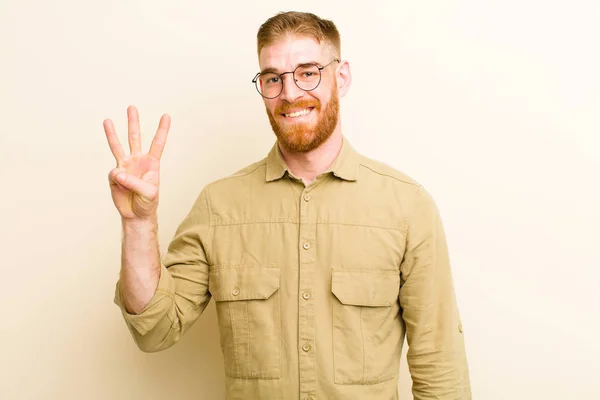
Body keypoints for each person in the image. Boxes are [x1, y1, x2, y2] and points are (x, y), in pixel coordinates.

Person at [105, 11, 471, 400]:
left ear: (341, 76)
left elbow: (440, 367)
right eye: (273, 78)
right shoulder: (218, 206)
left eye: (308, 72)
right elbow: (155, 329)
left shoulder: (407, 206)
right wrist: (139, 224)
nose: (291, 93)